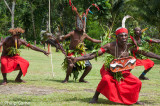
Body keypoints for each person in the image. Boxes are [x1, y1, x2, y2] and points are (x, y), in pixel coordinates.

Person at [68, 27, 160, 105]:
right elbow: (93, 54)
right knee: (106, 79)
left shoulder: (130, 45)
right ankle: (95, 97)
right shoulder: (110, 46)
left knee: (137, 82)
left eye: (125, 35)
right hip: (109, 69)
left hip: (123, 70)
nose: (123, 37)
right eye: (121, 36)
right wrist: (77, 59)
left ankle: (133, 100)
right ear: (117, 37)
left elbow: (145, 52)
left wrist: (158, 57)